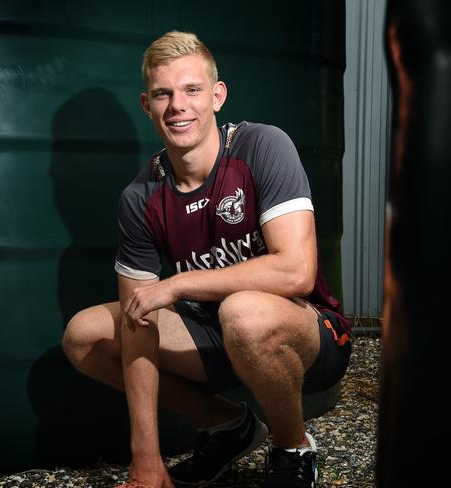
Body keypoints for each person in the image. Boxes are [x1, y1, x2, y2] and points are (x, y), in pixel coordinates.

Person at [62, 30, 351, 488]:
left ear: (218, 96)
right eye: (163, 93)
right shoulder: (140, 197)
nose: (178, 105)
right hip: (213, 338)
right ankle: (229, 425)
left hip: (307, 334)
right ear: (147, 105)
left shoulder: (262, 147)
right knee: (85, 336)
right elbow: (139, 324)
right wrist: (146, 459)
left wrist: (177, 284)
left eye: (192, 89)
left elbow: (297, 271)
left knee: (244, 312)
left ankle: (293, 446)